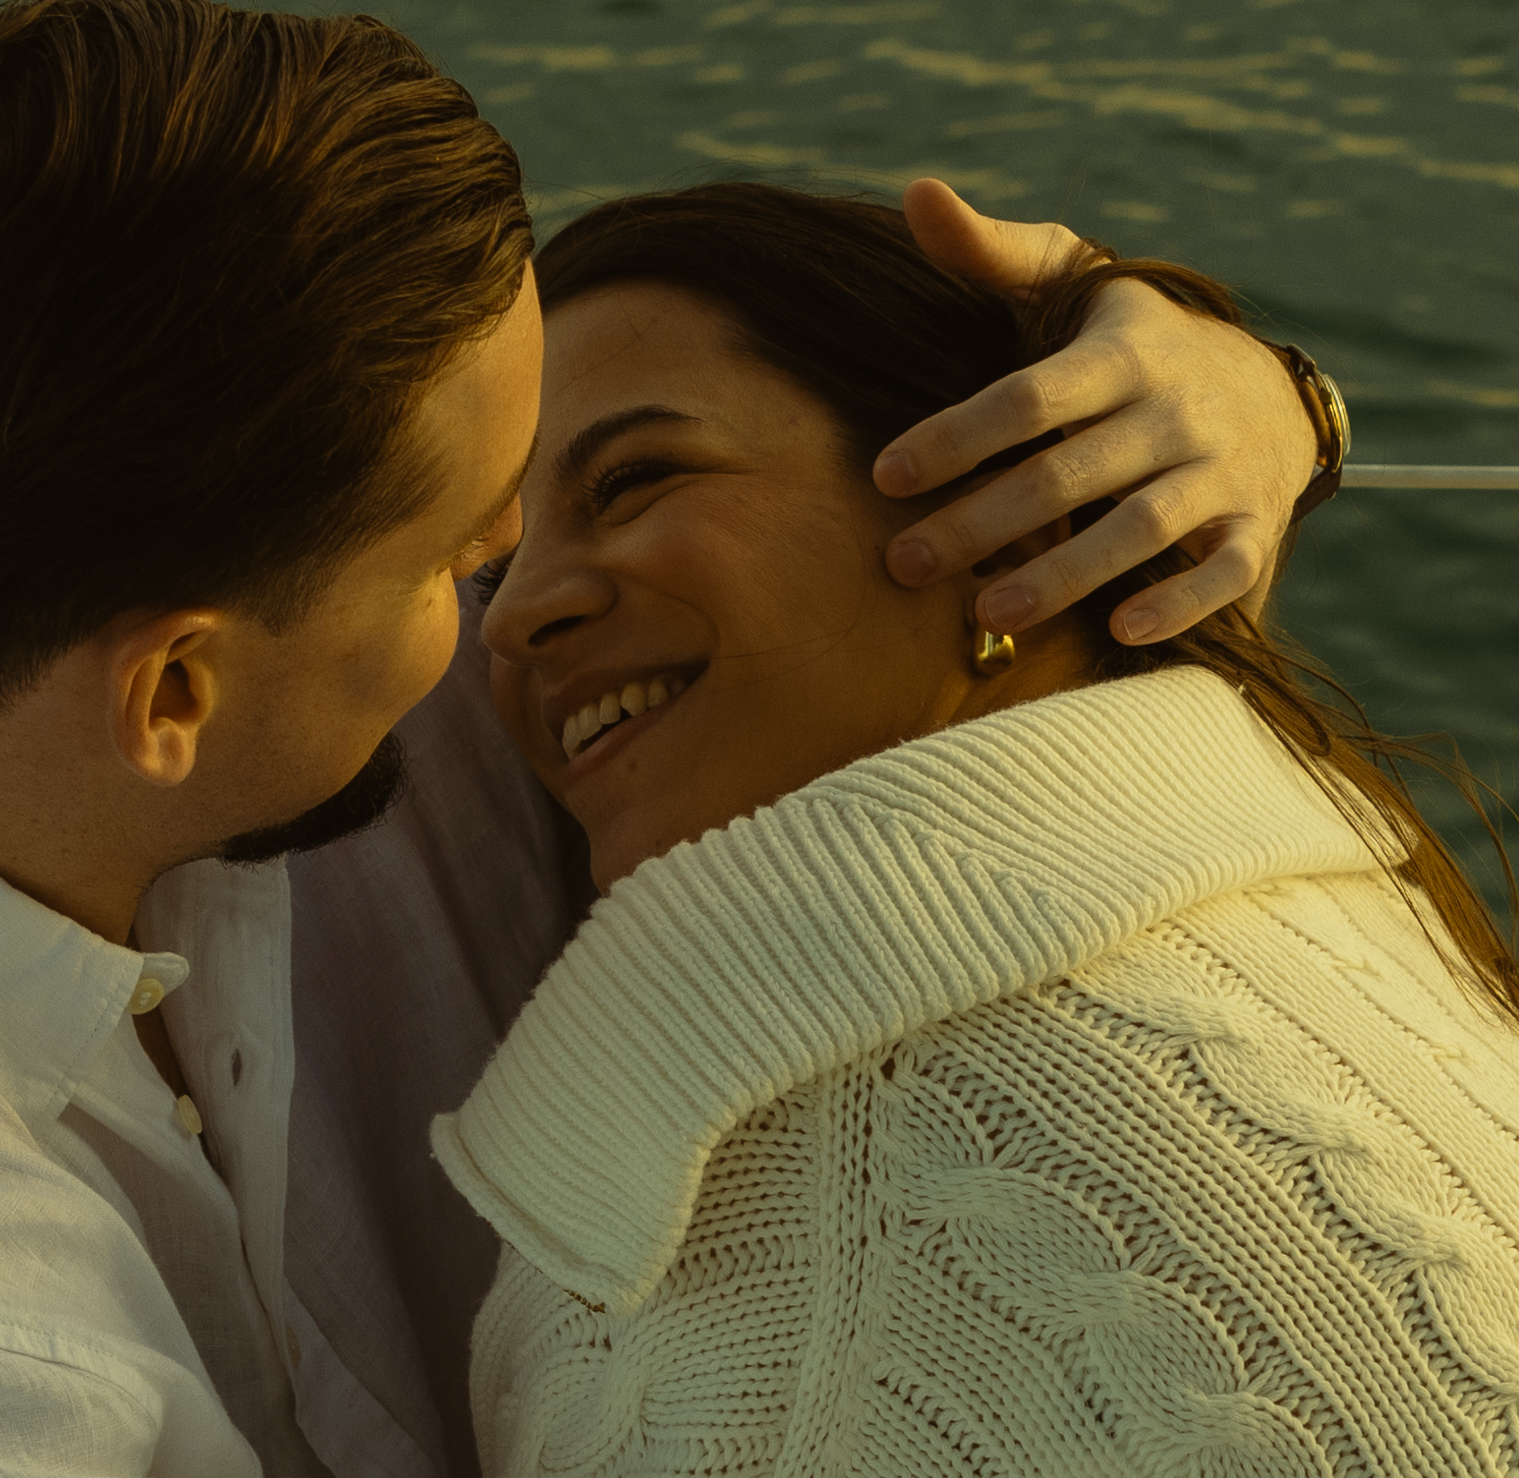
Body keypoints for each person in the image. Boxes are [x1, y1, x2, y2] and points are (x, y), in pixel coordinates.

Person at [0, 0, 1324, 1478]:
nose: (513, 604)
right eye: (449, 559)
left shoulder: (283, 678)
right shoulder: (43, 1370)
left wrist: (1250, 395)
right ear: (175, 695)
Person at [436, 183, 1519, 1475]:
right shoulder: (1332, 903)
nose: (507, 622)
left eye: (635, 478)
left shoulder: (792, 1300)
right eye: (486, 570)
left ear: (1038, 492)